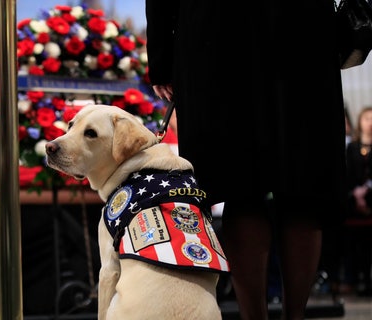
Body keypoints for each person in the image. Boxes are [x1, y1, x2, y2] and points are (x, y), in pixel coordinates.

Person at [145, 1, 346, 319]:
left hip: (216, 32)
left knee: (239, 185)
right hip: (300, 28)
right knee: (300, 183)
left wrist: (161, 56)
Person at [343, 106, 372, 296]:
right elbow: (347, 173)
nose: (370, 123)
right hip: (353, 201)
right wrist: (356, 193)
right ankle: (353, 279)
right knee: (353, 243)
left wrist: (367, 189)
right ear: (360, 122)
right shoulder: (351, 147)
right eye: (366, 119)